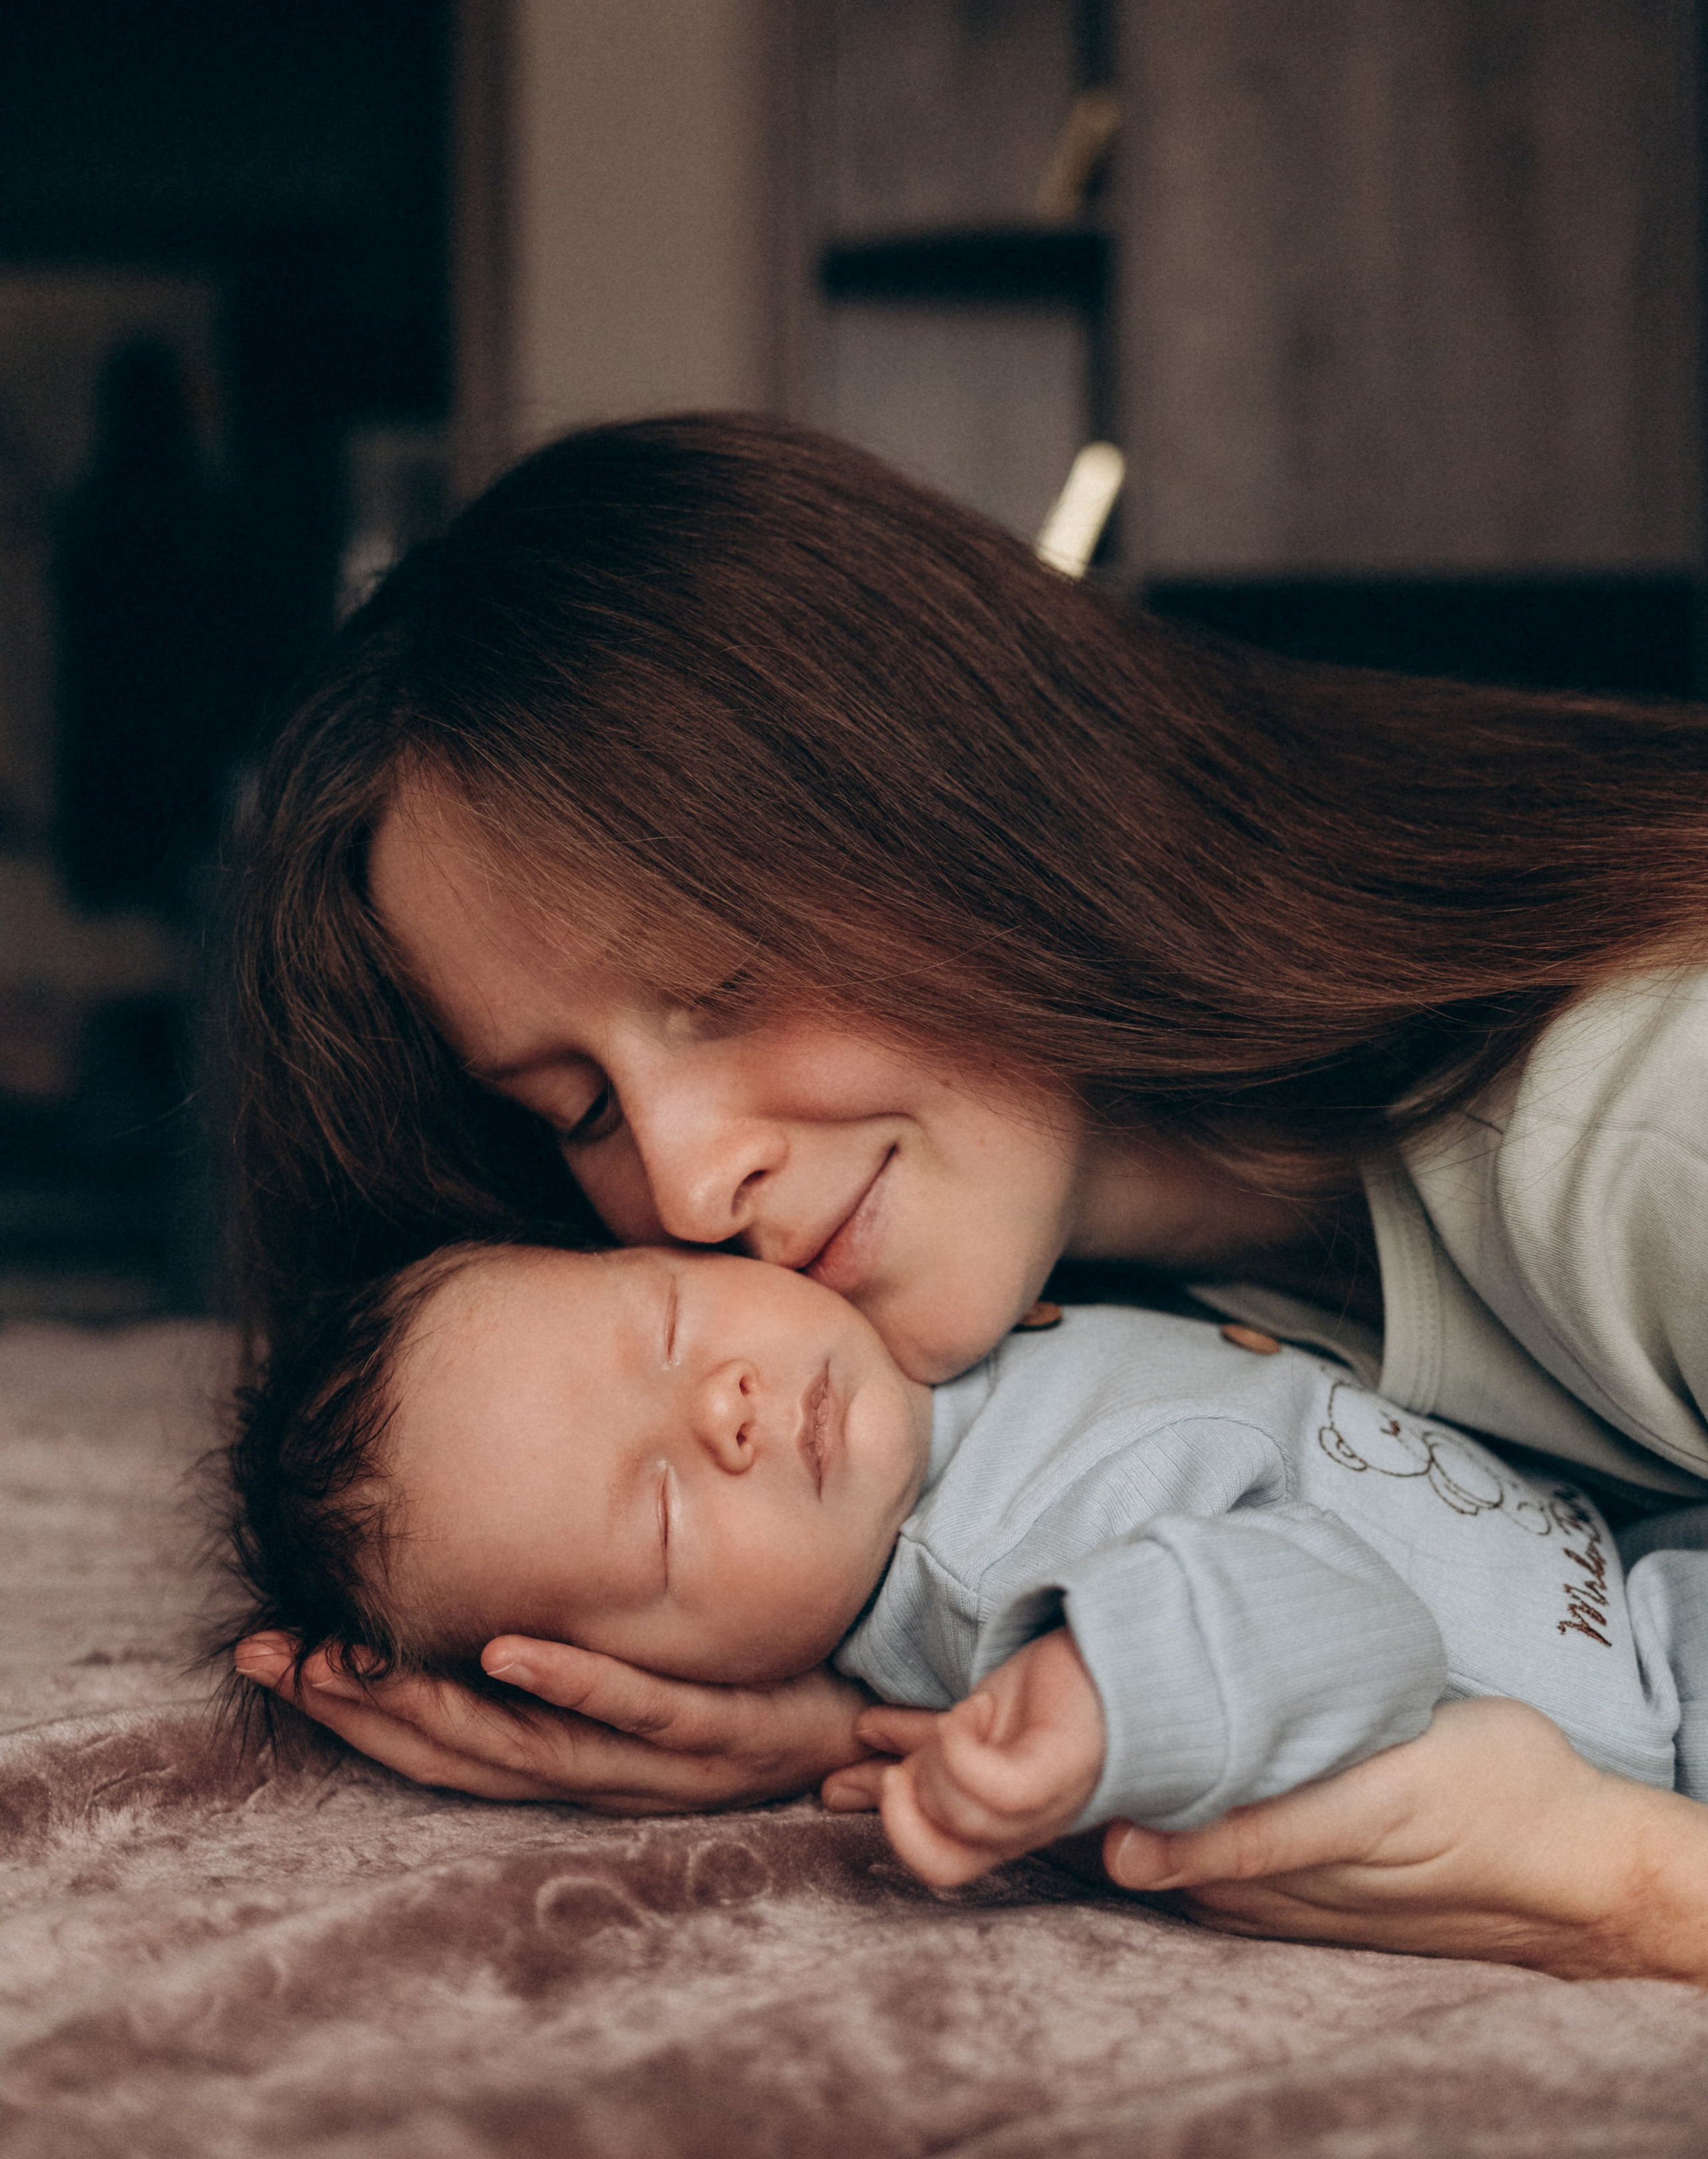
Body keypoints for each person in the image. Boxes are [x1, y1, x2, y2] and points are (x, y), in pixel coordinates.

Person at [228, 412, 1708, 1980]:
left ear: (946, 794)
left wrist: (1605, 1882)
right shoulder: (1080, 1312)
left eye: (716, 987)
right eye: (577, 1109)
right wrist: (851, 1703)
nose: (684, 1180)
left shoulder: (1650, 1133)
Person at [224, 1238, 1708, 1895]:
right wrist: (1107, 1694)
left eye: (668, 1323)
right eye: (664, 1516)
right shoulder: (1000, 1585)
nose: (724, 1409)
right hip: (1660, 1721)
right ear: (646, 1682)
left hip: (1639, 1559)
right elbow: (1340, 1624)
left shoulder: (939, 1346)